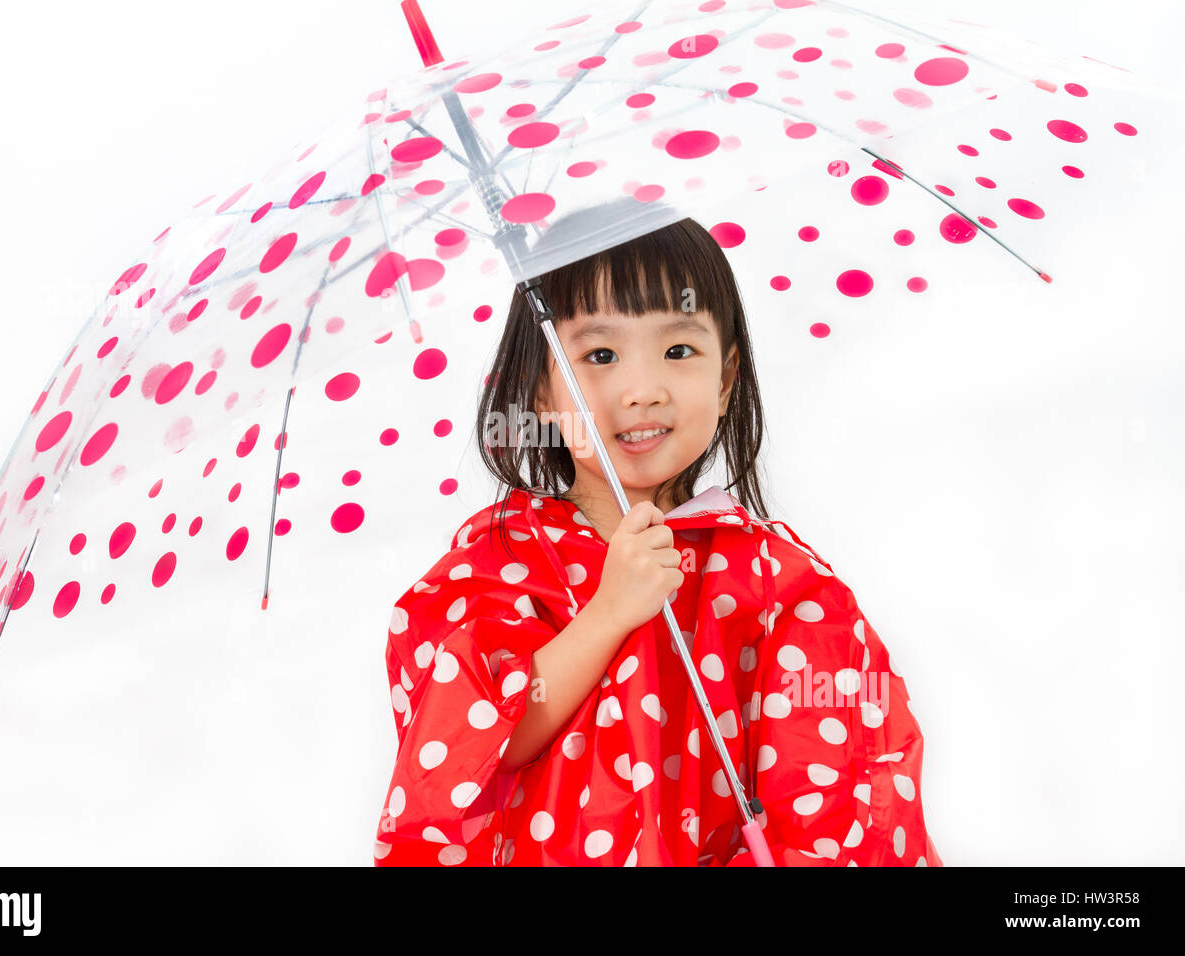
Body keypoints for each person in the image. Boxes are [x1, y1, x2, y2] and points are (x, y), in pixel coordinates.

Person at [372, 197, 943, 866]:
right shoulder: (499, 564)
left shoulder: (773, 580)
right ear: (539, 392)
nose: (642, 389)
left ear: (726, 378)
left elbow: (844, 774)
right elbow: (473, 742)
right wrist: (608, 615)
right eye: (601, 354)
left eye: (677, 349)